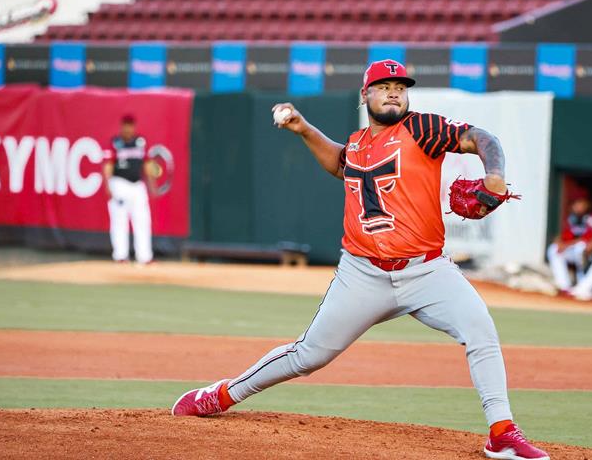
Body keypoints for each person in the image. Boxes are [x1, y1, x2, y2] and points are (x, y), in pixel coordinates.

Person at [170, 60, 550, 460]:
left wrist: (494, 174)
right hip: (362, 274)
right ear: (365, 95)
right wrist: (303, 129)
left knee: (481, 331)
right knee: (308, 355)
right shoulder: (358, 143)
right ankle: (222, 394)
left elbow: (480, 138)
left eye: (400, 87)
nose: (393, 92)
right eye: (384, 86)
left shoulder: (422, 128)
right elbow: (339, 162)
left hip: (427, 270)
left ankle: (502, 431)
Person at [102, 114, 157, 265]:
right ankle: (120, 256)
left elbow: (147, 164)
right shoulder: (115, 143)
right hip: (119, 184)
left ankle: (145, 257)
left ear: (134, 126)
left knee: (143, 220)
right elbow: (108, 165)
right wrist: (107, 185)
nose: (128, 128)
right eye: (126, 125)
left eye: (131, 125)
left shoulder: (140, 142)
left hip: (137, 186)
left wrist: (152, 183)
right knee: (119, 220)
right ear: (121, 126)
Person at [546, 189, 592, 296]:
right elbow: (565, 237)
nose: (579, 206)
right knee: (554, 249)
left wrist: (566, 245)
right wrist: (559, 242)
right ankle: (564, 286)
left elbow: (587, 238)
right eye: (576, 203)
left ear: (587, 205)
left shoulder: (591, 218)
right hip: (573, 251)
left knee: (580, 247)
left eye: (581, 203)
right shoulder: (571, 218)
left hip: (591, 254)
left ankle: (584, 284)